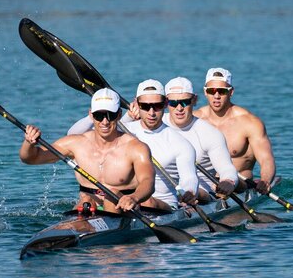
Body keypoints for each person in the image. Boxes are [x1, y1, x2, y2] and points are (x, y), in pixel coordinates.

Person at [68, 80, 198, 212]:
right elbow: (74, 135)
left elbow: (189, 177)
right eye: (145, 106)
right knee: (88, 199)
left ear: (165, 104)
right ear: (136, 104)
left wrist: (189, 192)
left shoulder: (180, 143)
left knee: (147, 201)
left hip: (158, 205)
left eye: (157, 106)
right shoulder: (122, 128)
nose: (151, 112)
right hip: (121, 201)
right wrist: (98, 112)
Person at [21, 88, 155, 214]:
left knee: (110, 197)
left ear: (119, 115)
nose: (105, 122)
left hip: (124, 208)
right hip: (89, 206)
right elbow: (31, 158)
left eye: (110, 115)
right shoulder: (75, 143)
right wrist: (29, 143)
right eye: (99, 115)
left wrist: (134, 198)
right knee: (86, 201)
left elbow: (148, 181)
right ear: (91, 115)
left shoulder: (136, 147)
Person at [142, 77, 238, 203]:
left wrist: (228, 181)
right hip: (160, 194)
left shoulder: (210, 133)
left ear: (194, 100)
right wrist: (129, 115)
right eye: (173, 103)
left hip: (201, 195)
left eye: (185, 102)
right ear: (165, 103)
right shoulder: (152, 122)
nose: (179, 108)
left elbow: (226, 168)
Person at [194, 68, 276, 195]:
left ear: (231, 92)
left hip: (239, 186)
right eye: (211, 91)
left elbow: (266, 159)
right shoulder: (195, 120)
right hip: (204, 185)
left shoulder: (249, 122)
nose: (216, 96)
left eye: (221, 91)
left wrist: (265, 180)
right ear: (205, 92)